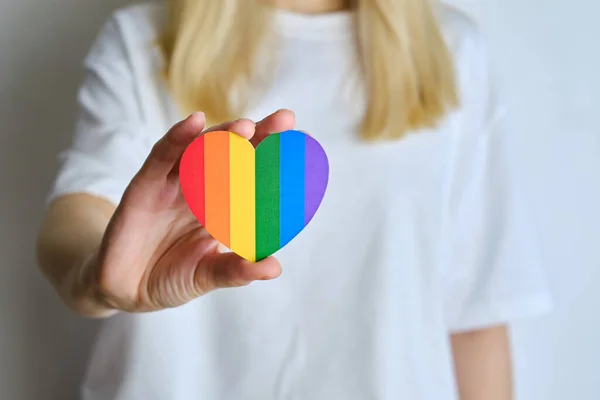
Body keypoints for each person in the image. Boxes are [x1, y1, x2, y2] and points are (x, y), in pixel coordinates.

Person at [36, 0, 552, 399]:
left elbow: (476, 308)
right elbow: (78, 211)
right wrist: (101, 280)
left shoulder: (452, 51)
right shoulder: (142, 41)